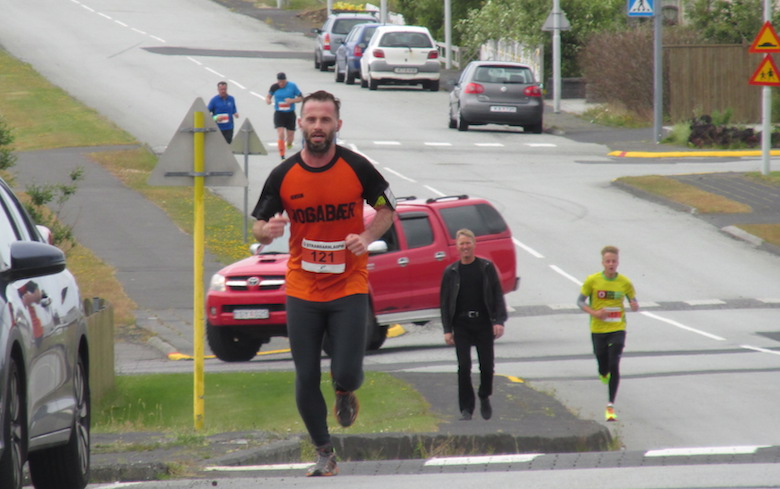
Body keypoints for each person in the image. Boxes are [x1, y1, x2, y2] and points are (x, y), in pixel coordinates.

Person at [251, 90, 395, 477]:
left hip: (348, 285)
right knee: (306, 373)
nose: (318, 127)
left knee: (346, 371)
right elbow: (259, 226)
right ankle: (324, 452)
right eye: (311, 119)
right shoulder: (283, 174)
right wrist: (269, 230)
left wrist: (364, 238)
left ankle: (345, 391)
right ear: (300, 123)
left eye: (325, 120)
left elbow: (388, 208)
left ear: (337, 125)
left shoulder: (357, 167)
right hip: (302, 287)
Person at [440, 228, 507, 422]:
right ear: (457, 247)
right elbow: (444, 303)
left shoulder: (486, 268)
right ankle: (466, 409)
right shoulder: (451, 272)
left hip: (484, 323)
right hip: (461, 324)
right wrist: (447, 330)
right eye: (461, 244)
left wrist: (498, 321)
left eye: (468, 243)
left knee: (487, 366)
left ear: (474, 244)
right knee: (464, 366)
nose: (465, 247)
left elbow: (496, 295)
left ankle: (484, 394)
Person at [577, 245, 639, 422]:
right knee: (603, 363)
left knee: (614, 363)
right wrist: (594, 313)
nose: (611, 264)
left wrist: (635, 305)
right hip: (598, 329)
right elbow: (579, 301)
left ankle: (610, 405)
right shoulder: (593, 281)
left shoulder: (625, 283)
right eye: (608, 261)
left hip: (617, 327)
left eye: (614, 261)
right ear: (603, 263)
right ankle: (602, 372)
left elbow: (633, 301)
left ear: (618, 263)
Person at [266, 72, 303, 159]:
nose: (281, 84)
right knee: (281, 133)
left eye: (283, 82)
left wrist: (292, 100)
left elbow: (301, 98)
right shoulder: (274, 87)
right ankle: (282, 154)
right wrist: (268, 100)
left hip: (290, 114)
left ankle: (289, 144)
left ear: (286, 80)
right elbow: (268, 97)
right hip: (279, 113)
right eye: (279, 82)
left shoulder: (292, 86)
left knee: (290, 138)